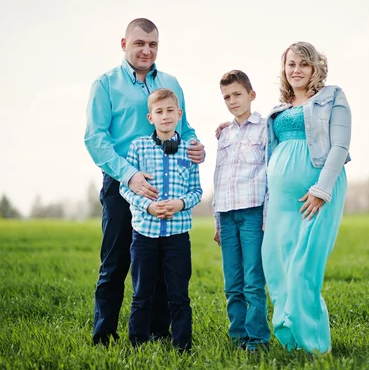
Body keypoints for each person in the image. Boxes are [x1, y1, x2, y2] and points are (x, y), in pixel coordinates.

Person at [84, 18, 205, 346]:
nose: (146, 50)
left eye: (152, 45)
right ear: (125, 45)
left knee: (162, 265)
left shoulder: (170, 82)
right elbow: (95, 138)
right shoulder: (106, 84)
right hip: (121, 181)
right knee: (115, 262)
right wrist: (130, 175)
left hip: (167, 185)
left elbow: (186, 127)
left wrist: (195, 146)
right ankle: (104, 336)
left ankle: (157, 334)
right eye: (139, 43)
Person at [261, 41, 352, 354]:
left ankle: (315, 346)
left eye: (303, 64)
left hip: (316, 195)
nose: (296, 70)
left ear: (315, 68)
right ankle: (292, 340)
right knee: (277, 266)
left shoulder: (332, 97)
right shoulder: (279, 109)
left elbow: (340, 146)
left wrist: (320, 190)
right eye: (291, 64)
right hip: (280, 202)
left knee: (302, 269)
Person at [119, 88, 202, 352]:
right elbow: (125, 187)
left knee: (178, 294)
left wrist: (180, 204)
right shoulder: (138, 147)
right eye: (159, 112)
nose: (165, 116)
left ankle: (182, 347)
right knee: (142, 292)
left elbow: (197, 191)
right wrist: (149, 206)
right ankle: (137, 345)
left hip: (177, 235)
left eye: (170, 111)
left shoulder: (190, 150)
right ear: (150, 117)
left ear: (179, 114)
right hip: (145, 233)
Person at [212, 70, 270, 352]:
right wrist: (216, 221)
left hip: (252, 213)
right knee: (232, 283)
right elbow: (219, 178)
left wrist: (267, 215)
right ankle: (238, 338)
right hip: (226, 214)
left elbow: (270, 174)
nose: (232, 101)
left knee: (253, 282)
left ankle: (258, 339)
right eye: (226, 97)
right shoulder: (224, 134)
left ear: (251, 95)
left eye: (237, 94)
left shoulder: (265, 129)